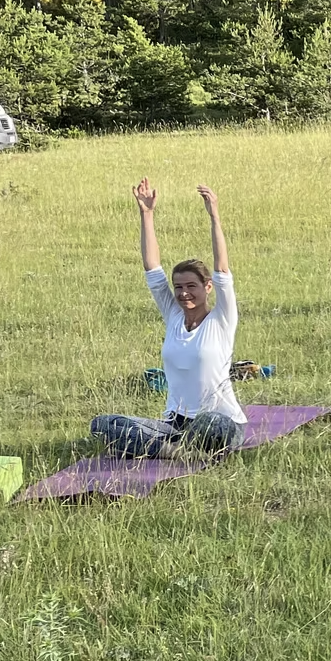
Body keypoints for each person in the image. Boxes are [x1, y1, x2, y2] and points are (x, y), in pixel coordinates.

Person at [92, 180, 248, 459]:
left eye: (191, 286)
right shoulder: (174, 316)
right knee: (103, 425)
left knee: (211, 425)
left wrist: (214, 215)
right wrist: (146, 215)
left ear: (207, 287)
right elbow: (152, 268)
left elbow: (222, 269)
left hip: (219, 422)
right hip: (174, 424)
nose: (184, 293)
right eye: (179, 287)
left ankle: (172, 449)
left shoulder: (222, 319)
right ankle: (174, 451)